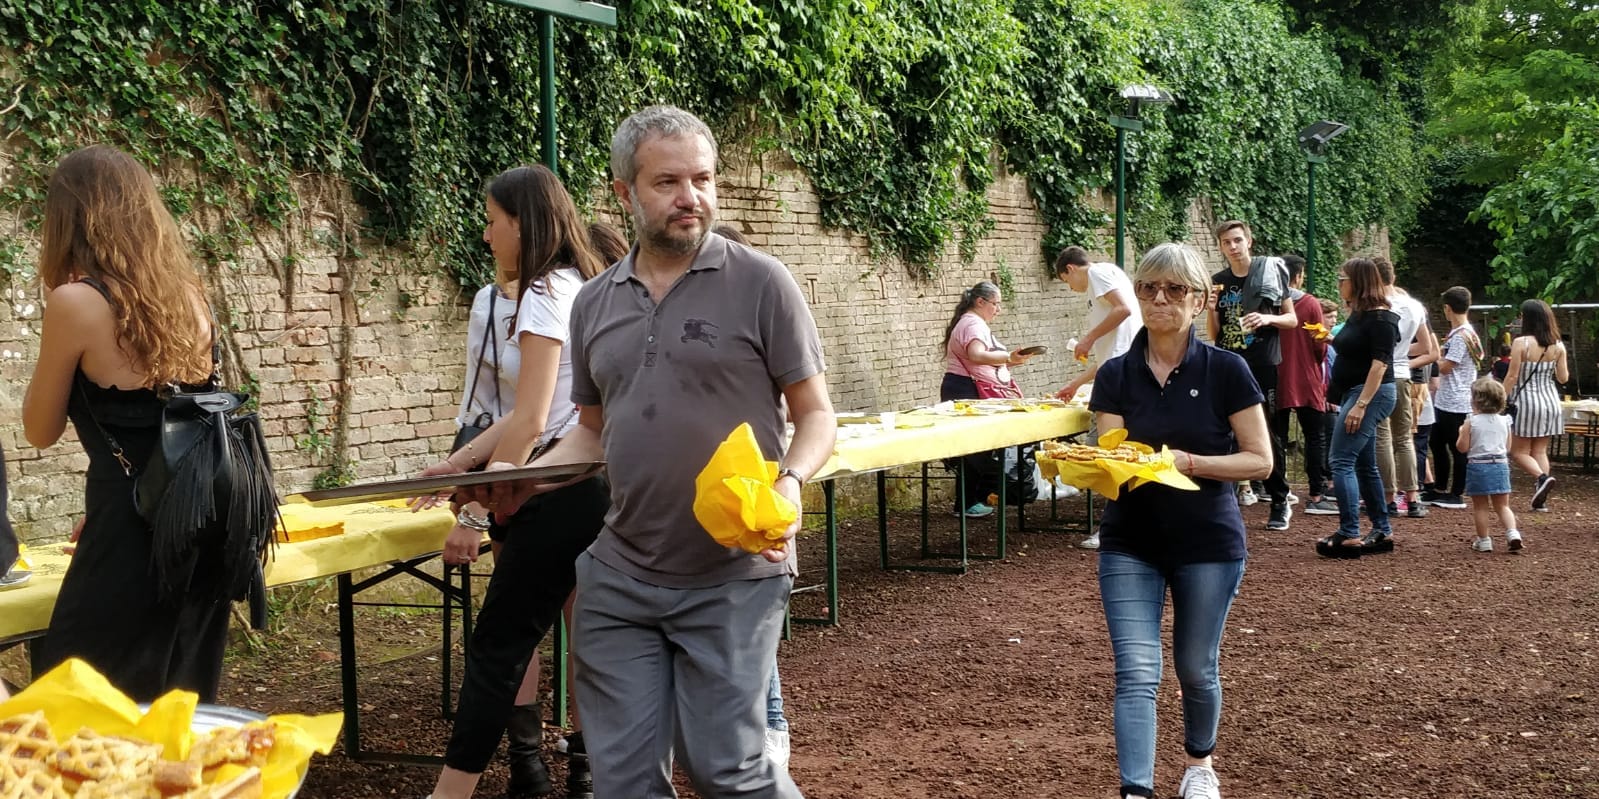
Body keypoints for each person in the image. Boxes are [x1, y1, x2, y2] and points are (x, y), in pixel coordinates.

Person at [472, 105, 836, 799]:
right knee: (624, 779)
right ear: (624, 192)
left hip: (733, 569)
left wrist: (789, 481)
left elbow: (816, 414)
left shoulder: (763, 283)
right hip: (621, 572)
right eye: (667, 182)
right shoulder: (593, 303)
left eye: (702, 179)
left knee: (726, 768)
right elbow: (591, 432)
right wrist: (522, 479)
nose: (689, 196)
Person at [423, 164, 609, 799]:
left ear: (523, 226)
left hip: (559, 490)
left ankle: (451, 794)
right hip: (580, 483)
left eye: (493, 221)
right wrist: (460, 464)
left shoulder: (543, 293)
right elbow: (534, 408)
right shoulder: (578, 283)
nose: (486, 235)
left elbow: (531, 421)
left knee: (498, 648)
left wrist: (481, 506)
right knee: (544, 639)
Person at [22, 146, 229, 702]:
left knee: (81, 701)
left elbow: (39, 431)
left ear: (67, 218)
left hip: (126, 533)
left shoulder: (75, 303)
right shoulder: (191, 298)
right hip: (199, 528)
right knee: (178, 700)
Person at [1088, 242, 1271, 799]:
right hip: (1130, 540)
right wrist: (1089, 466)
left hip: (1208, 541)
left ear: (1200, 300)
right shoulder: (1115, 374)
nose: (1159, 299)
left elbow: (1259, 460)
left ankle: (1199, 766)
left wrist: (1189, 463)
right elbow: (1112, 457)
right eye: (1147, 288)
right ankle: (1135, 791)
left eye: (1174, 289)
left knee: (1196, 667)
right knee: (1137, 671)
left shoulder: (1227, 370)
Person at [711, 220, 795, 769]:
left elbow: (790, 412)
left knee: (748, 620)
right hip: (706, 497)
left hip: (751, 495)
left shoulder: (761, 318)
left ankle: (771, 726)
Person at [1208, 221, 1297, 530]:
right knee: (1223, 431)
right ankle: (1225, 502)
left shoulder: (1268, 274)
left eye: (1237, 240)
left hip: (1261, 363)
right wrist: (1210, 310)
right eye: (1226, 242)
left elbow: (1292, 319)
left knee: (1267, 431)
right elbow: (1214, 335)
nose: (1233, 247)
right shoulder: (1218, 282)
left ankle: (1280, 499)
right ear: (1220, 247)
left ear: (1249, 241)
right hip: (1228, 362)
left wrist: (1268, 318)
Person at [1315, 258, 1399, 558]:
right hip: (1358, 392)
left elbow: (1379, 364)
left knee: (1340, 460)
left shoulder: (1382, 319)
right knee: (1364, 464)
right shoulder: (1360, 315)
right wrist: (1329, 338)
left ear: (1358, 282)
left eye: (1343, 279)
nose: (1339, 284)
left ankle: (1349, 534)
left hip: (1369, 395)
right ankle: (1382, 531)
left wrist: (1361, 405)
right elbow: (1356, 350)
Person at [941, 280, 1038, 517]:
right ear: (980, 302)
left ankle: (969, 501)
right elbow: (976, 355)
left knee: (975, 447)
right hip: (967, 390)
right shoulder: (973, 324)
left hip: (962, 387)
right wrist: (1008, 357)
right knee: (974, 447)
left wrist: (1009, 361)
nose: (998, 309)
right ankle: (967, 503)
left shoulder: (969, 322)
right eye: (995, 304)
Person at [1371, 259, 1435, 519]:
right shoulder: (1414, 305)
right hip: (1403, 375)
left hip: (1379, 374)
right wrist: (1401, 351)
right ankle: (1413, 498)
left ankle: (1388, 498)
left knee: (1382, 437)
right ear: (1393, 276)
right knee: (1405, 437)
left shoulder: (1374, 305)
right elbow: (1426, 347)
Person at [1272, 255, 1329, 517]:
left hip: (1276, 376)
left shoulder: (1269, 304)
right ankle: (1317, 493)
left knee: (1277, 437)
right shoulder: (1310, 303)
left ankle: (1279, 492)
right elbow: (1320, 343)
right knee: (1315, 436)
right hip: (1306, 377)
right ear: (1298, 275)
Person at [1502, 299, 1570, 511]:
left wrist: (1500, 398)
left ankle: (1542, 478)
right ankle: (1542, 495)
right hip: (1550, 401)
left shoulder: (1521, 343)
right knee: (1540, 450)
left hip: (1526, 402)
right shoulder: (1558, 345)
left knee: (1518, 451)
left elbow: (1512, 376)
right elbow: (1563, 378)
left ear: (1528, 319)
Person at [1052, 246, 1142, 403]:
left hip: (1122, 371)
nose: (1071, 288)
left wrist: (1088, 339)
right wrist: (1074, 385)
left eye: (1067, 281)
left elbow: (1123, 309)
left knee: (1103, 415)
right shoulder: (1106, 274)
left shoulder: (1096, 273)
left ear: (1071, 268)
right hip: (1123, 366)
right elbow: (1107, 356)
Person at [1422, 287, 1479, 510]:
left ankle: (1456, 493)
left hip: (1455, 400)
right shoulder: (1466, 333)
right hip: (1449, 398)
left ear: (1447, 308)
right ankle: (1439, 488)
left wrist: (1430, 359)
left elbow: (1446, 367)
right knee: (1437, 443)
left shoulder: (1460, 337)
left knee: (1456, 447)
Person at [1458, 377, 1521, 552]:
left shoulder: (1471, 422)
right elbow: (1507, 447)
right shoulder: (1505, 421)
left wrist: (1461, 432)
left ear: (1475, 400)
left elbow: (1462, 448)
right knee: (1503, 505)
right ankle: (1513, 533)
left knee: (1481, 507)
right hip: (1500, 465)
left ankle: (1484, 540)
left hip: (1478, 466)